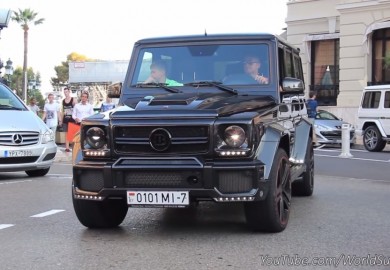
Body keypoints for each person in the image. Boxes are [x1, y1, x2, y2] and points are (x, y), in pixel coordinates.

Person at [62, 87, 76, 152]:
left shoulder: (73, 99)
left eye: (66, 92)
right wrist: (61, 120)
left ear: (69, 92)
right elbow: (62, 110)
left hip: (72, 119)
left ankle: (74, 147)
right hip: (65, 119)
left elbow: (76, 109)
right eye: (64, 92)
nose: (65, 93)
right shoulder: (63, 101)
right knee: (66, 134)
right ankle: (67, 148)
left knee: (72, 134)